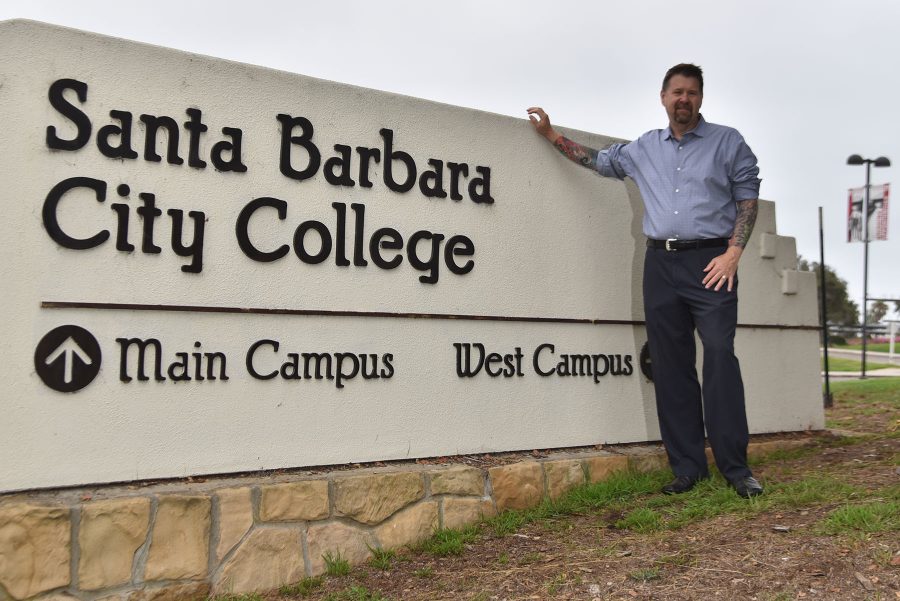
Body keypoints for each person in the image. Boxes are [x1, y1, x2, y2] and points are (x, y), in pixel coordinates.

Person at [527, 63, 763, 498]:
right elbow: (596, 161)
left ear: (700, 99)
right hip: (661, 266)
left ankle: (736, 468)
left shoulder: (727, 142)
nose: (683, 99)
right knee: (671, 368)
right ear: (663, 97)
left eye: (691, 92)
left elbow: (748, 199)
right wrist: (550, 134)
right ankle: (689, 468)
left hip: (713, 263)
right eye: (676, 92)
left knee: (718, 355)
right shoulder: (644, 148)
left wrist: (733, 254)